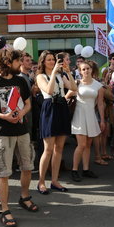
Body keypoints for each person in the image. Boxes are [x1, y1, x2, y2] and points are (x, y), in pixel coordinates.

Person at [0, 48, 37, 227]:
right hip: (3, 133)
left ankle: (24, 196)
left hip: (23, 131)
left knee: (27, 167)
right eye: (17, 61)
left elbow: (28, 104)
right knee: (4, 173)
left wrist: (21, 112)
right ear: (7, 62)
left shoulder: (21, 80)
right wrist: (3, 116)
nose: (20, 64)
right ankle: (5, 209)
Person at [36, 50, 77, 194]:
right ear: (43, 62)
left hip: (61, 107)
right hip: (50, 108)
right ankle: (41, 182)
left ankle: (54, 181)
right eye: (48, 60)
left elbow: (73, 88)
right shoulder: (40, 76)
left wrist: (68, 72)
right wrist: (53, 73)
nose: (52, 62)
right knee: (48, 149)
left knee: (59, 148)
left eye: (53, 59)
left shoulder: (61, 75)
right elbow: (48, 89)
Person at [70, 61, 105, 182]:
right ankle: (74, 170)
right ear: (80, 71)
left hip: (91, 115)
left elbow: (100, 104)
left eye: (88, 68)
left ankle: (85, 169)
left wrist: (102, 120)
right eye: (83, 69)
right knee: (82, 144)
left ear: (91, 69)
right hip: (79, 115)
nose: (86, 71)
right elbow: (67, 96)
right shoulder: (77, 83)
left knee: (88, 144)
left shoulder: (98, 86)